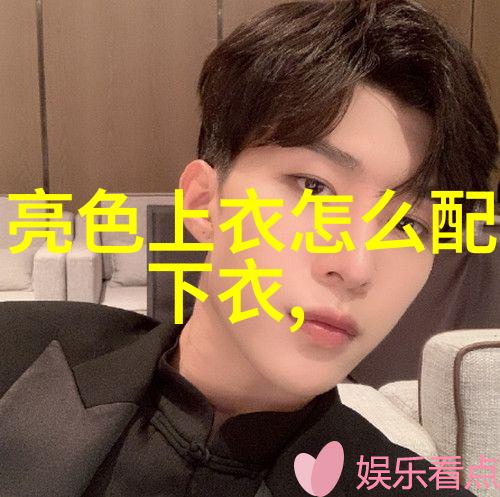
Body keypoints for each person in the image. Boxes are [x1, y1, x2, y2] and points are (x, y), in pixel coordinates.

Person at [0, 1, 497, 496]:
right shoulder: (19, 355)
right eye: (314, 187)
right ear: (204, 202)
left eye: (409, 224)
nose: (355, 265)